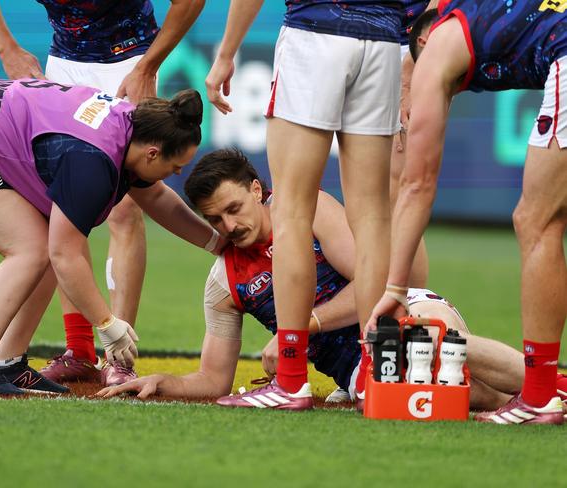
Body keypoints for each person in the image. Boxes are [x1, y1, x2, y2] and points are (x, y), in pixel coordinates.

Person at [95, 149, 567, 412]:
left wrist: (303, 330)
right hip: (357, 369)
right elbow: (214, 378)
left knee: (429, 339)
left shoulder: (306, 209)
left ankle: (551, 386)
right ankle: (527, 402)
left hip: (394, 310)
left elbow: (372, 280)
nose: (229, 227)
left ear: (257, 190)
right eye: (215, 220)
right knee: (459, 395)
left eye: (235, 209)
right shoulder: (224, 283)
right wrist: (162, 382)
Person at [0, 80, 219, 395]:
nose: (177, 174)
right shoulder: (91, 161)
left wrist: (215, 242)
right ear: (153, 154)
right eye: (175, 167)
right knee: (32, 249)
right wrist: (106, 324)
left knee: (42, 247)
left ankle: (8, 362)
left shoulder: (137, 128)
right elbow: (66, 255)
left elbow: (156, 198)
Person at [0, 0, 206, 385]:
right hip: (64, 61)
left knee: (125, 208)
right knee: (58, 209)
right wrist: (6, 47)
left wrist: (148, 65)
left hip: (129, 59)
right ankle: (78, 348)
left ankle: (120, 355)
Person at [368, 1, 567, 425]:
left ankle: (538, 396)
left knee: (537, 221)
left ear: (420, 39)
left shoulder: (436, 46)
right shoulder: (471, 17)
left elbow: (417, 185)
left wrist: (396, 288)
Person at [204, 0, 402, 409]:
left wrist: (225, 54)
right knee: (372, 215)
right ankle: (375, 372)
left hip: (317, 28)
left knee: (292, 209)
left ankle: (291, 379)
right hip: (385, 37)